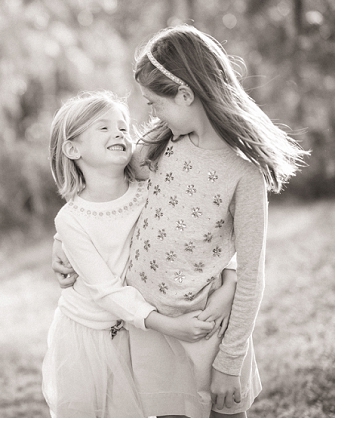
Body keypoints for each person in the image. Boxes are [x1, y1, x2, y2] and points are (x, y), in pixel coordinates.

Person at [53, 25, 308, 418]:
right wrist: (61, 241)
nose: (150, 113)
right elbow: (101, 191)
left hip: (206, 329)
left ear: (186, 95)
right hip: (154, 332)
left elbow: (253, 274)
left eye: (155, 103)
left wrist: (229, 361)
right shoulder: (161, 145)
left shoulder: (243, 174)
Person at [42, 91, 238, 418]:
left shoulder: (150, 191)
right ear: (73, 148)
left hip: (140, 329)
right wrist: (170, 326)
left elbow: (196, 236)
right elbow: (106, 291)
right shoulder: (71, 219)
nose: (119, 133)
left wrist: (229, 279)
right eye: (103, 128)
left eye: (123, 127)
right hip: (91, 333)